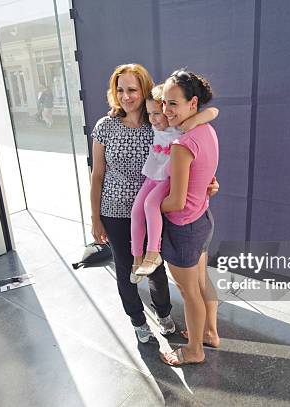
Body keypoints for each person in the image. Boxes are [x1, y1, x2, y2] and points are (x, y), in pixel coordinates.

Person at [90, 63, 176, 343]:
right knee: (126, 268)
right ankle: (138, 320)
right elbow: (98, 174)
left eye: (132, 89)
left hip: (152, 211)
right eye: (120, 89)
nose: (126, 96)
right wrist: (95, 218)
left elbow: (188, 150)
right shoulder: (105, 127)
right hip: (114, 211)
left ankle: (163, 313)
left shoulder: (158, 124)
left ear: (144, 90)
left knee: (155, 266)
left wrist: (208, 181)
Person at [158, 69, 220, 366]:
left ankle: (195, 350)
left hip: (184, 228)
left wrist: (151, 207)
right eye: (164, 103)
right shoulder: (205, 130)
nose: (166, 111)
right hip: (203, 221)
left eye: (173, 104)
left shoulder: (182, 145)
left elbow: (176, 202)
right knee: (201, 281)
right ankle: (210, 333)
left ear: (192, 103)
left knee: (189, 291)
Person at [131, 84, 218, 281]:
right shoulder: (155, 124)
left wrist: (196, 118)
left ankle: (153, 253)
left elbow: (213, 111)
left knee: (149, 205)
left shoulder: (178, 127)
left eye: (157, 113)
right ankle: (137, 258)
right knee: (137, 210)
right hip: (153, 174)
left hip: (166, 178)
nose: (153, 119)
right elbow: (132, 108)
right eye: (149, 114)